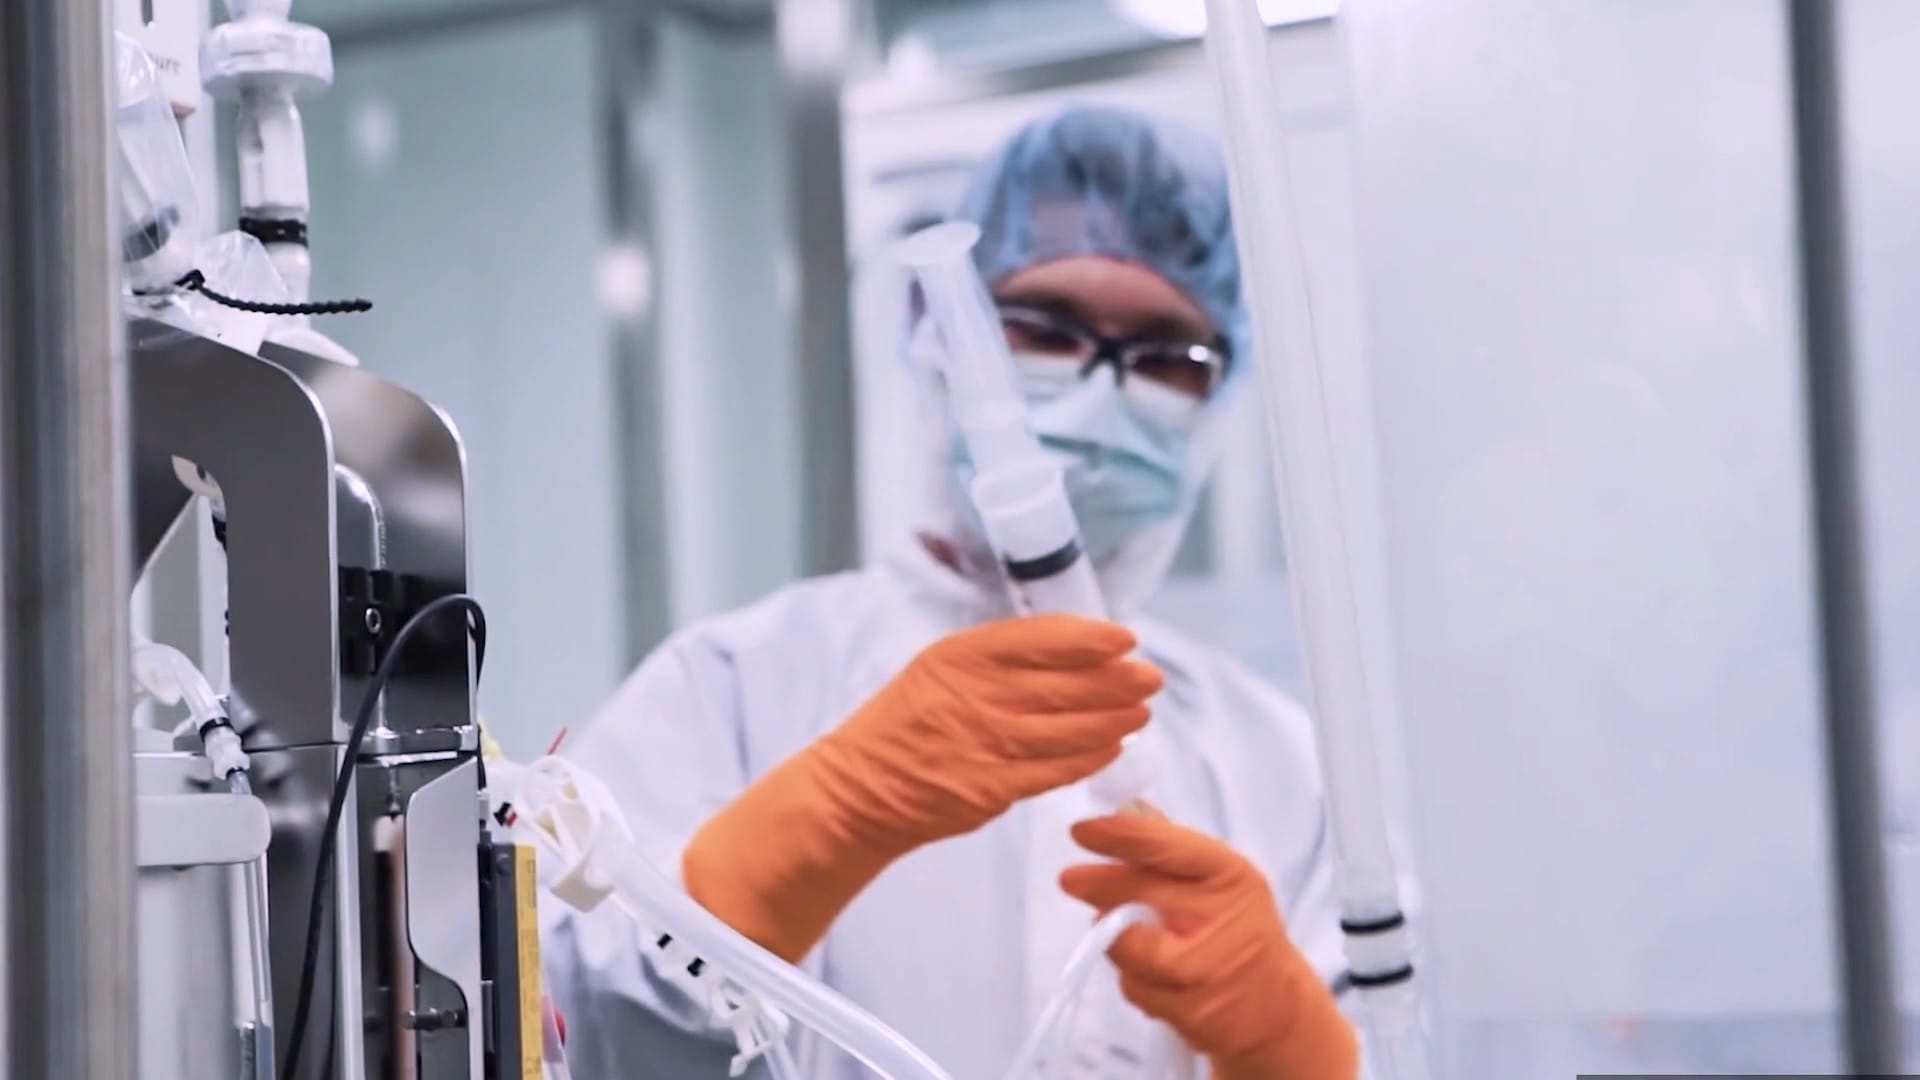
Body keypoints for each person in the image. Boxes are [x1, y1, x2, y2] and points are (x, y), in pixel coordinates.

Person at [543, 105, 1357, 1080]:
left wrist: (1290, 1047)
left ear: (1219, 395)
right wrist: (816, 823)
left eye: (1166, 356)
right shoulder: (731, 689)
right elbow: (563, 1035)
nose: (1099, 394)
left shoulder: (1280, 763)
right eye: (1042, 330)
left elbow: (1402, 1043)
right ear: (939, 339)